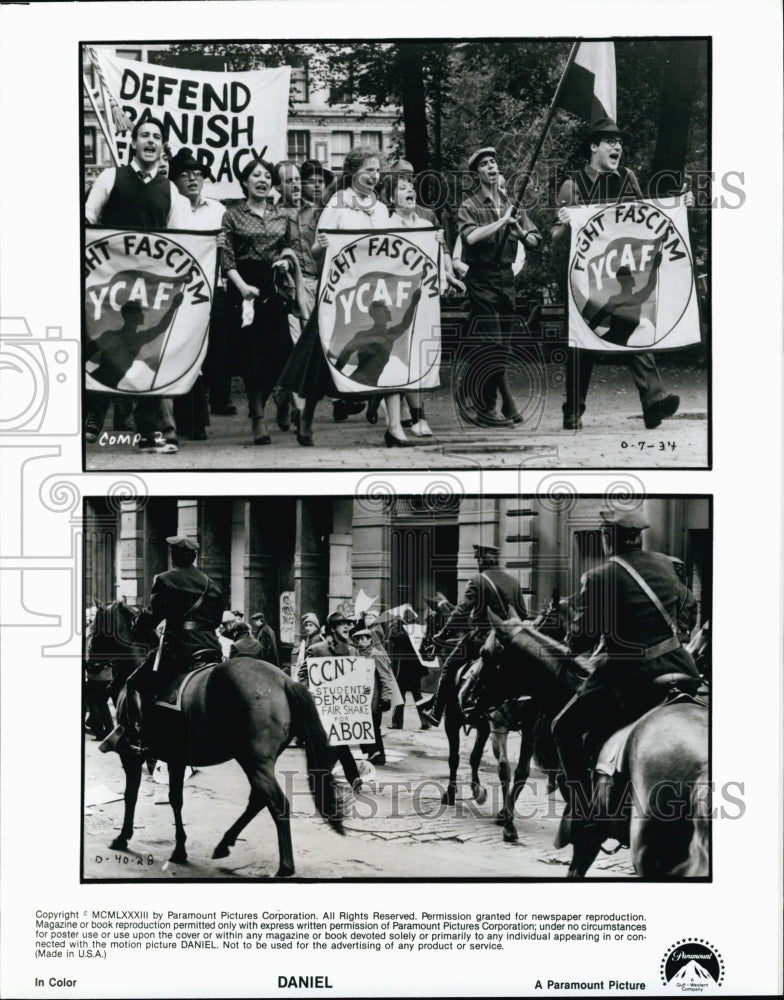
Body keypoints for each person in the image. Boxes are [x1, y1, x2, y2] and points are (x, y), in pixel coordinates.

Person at [551, 510, 702, 828]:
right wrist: (680, 633)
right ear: (639, 536)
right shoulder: (667, 564)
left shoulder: (600, 576)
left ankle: (584, 810)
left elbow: (581, 640)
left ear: (609, 537)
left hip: (630, 678)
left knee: (562, 728)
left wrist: (572, 628)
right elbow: (690, 605)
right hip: (681, 667)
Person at [551, 117, 685, 430]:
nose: (618, 146)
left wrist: (677, 206)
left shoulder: (627, 178)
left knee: (632, 327)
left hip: (621, 276)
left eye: (620, 142)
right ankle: (573, 410)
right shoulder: (572, 184)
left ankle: (653, 402)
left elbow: (645, 218)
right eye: (610, 141)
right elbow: (555, 239)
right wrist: (567, 221)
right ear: (593, 147)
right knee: (583, 345)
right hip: (584, 280)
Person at [277, 146, 415, 447]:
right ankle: (307, 417)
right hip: (340, 296)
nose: (374, 176)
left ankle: (394, 427)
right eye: (368, 171)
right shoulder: (337, 205)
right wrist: (321, 244)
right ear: (353, 172)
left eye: (377, 171)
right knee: (320, 360)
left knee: (387, 352)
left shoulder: (380, 209)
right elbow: (314, 253)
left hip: (375, 296)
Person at [84, 116, 188, 454]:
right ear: (133, 142)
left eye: (156, 137)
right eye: (144, 135)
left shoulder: (169, 189)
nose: (150, 141)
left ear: (162, 146)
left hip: (150, 288)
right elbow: (88, 222)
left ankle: (148, 433)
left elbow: (181, 240)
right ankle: (92, 413)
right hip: (108, 284)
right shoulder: (110, 178)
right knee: (101, 343)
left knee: (146, 354)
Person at [456, 146, 542, 426]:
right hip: (481, 279)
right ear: (476, 174)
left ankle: (475, 395)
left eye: (494, 162)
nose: (491, 167)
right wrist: (502, 221)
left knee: (502, 347)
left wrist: (518, 230)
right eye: (484, 164)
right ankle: (485, 408)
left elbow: (534, 240)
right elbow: (470, 238)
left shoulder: (512, 204)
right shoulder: (469, 205)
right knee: (493, 345)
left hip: (506, 279)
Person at [381, 168, 466, 437]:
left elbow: (435, 263)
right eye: (402, 188)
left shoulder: (426, 226)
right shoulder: (383, 226)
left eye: (411, 187)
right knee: (396, 359)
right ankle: (396, 419)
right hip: (393, 303)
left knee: (418, 356)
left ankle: (418, 417)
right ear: (390, 197)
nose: (410, 191)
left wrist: (445, 268)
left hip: (422, 304)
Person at [123, 536, 224, 754]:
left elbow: (152, 615)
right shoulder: (210, 582)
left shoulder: (165, 579)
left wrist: (138, 627)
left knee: (134, 684)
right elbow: (216, 620)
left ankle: (138, 736)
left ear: (173, 557)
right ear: (194, 557)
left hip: (180, 648)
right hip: (211, 648)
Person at [222, 157, 295, 445]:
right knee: (252, 357)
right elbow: (225, 256)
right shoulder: (232, 215)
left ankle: (282, 399)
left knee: (281, 353)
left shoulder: (281, 216)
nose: (262, 180)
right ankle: (257, 418)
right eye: (256, 175)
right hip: (244, 288)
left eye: (267, 176)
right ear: (245, 182)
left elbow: (288, 246)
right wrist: (242, 287)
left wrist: (286, 262)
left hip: (273, 287)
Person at [421, 543, 529, 727]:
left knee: (449, 666)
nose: (477, 561)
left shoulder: (477, 581)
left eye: (477, 558)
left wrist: (442, 634)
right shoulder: (514, 582)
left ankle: (436, 712)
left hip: (483, 639)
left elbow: (461, 612)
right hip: (511, 641)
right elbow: (523, 614)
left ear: (482, 559)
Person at [168, 147, 227, 441]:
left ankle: (200, 415)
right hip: (177, 293)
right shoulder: (169, 208)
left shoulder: (218, 210)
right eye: (184, 174)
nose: (192, 178)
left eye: (197, 174)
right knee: (181, 352)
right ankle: (188, 420)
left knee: (207, 354)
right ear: (174, 180)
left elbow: (228, 250)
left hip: (212, 292)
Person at [302, 612, 364, 791]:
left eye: (347, 624)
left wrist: (361, 692)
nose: (346, 627)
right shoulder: (317, 649)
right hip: (321, 705)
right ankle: (341, 776)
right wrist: (309, 693)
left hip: (340, 705)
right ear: (332, 628)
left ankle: (353, 778)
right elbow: (303, 675)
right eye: (341, 624)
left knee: (340, 741)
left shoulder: (353, 650)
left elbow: (358, 678)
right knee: (326, 742)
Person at [352, 626, 395, 766]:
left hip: (374, 699)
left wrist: (386, 697)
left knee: (374, 727)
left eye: (364, 638)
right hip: (361, 698)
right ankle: (372, 753)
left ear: (370, 639)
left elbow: (386, 677)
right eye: (358, 639)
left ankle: (379, 755)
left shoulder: (377, 655)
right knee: (364, 727)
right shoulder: (357, 656)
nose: (361, 641)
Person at [295, 612, 324, 683]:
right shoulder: (311, 637)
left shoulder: (316, 639)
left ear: (316, 627)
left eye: (310, 625)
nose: (308, 628)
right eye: (306, 625)